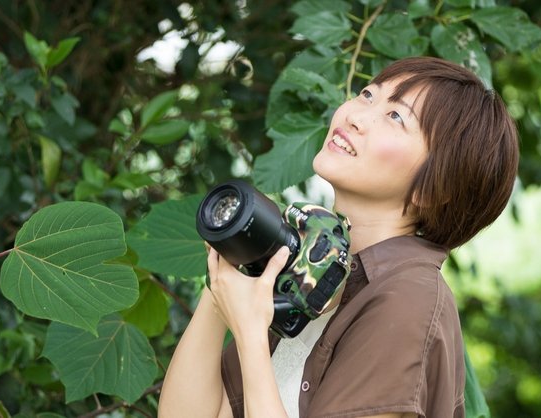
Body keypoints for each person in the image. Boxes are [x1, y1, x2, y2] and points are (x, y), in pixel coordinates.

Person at [158, 56, 519, 418]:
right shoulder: (308, 272)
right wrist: (228, 270)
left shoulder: (408, 300)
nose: (354, 116)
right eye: (367, 95)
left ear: (434, 188)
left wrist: (251, 336)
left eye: (396, 117)